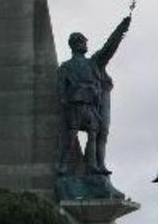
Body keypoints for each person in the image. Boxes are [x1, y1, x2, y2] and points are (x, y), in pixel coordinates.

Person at [55, 15, 131, 176]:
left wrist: (121, 29)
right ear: (75, 44)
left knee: (93, 135)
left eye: (84, 41)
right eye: (82, 41)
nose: (85, 44)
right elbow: (60, 90)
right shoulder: (66, 67)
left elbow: (108, 48)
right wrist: (65, 103)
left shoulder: (93, 62)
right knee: (70, 136)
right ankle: (62, 165)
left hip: (90, 105)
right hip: (75, 104)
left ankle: (93, 166)